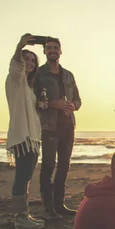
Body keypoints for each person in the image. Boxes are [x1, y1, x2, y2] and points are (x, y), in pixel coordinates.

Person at [35, 37, 81, 219]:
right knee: (48, 165)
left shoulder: (68, 75)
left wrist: (73, 106)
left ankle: (59, 204)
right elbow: (36, 101)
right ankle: (48, 208)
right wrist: (55, 104)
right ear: (45, 52)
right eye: (49, 48)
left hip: (68, 126)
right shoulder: (39, 74)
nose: (52, 50)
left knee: (64, 166)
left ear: (61, 51)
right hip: (49, 126)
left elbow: (78, 99)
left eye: (55, 47)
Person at [5, 33, 44, 229]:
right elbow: (15, 66)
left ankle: (24, 215)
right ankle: (20, 219)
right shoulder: (15, 79)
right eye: (26, 59)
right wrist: (20, 46)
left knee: (26, 177)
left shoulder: (29, 88)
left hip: (33, 138)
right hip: (23, 137)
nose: (29, 62)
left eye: (33, 60)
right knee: (22, 177)